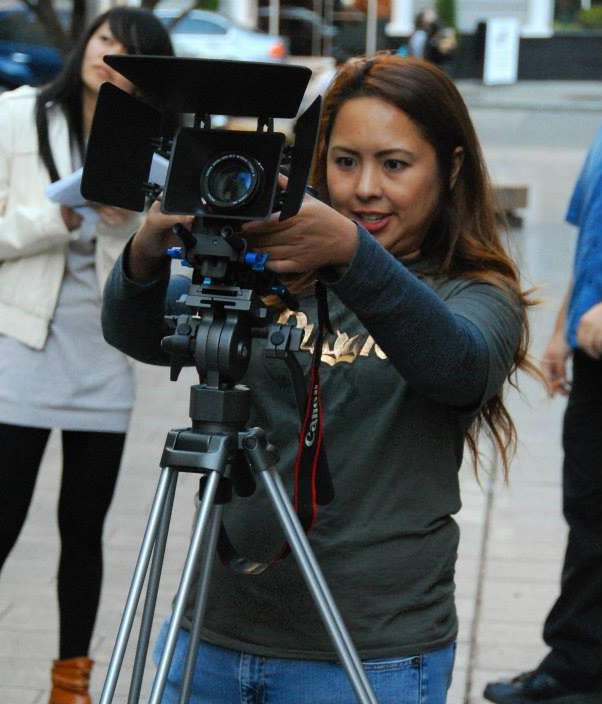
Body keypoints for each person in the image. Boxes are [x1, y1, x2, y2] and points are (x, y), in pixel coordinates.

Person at [101, 54, 535, 704]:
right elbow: (140, 332)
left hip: (371, 649)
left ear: (450, 167)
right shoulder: (277, 274)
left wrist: (351, 256)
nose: (364, 188)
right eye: (344, 160)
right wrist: (145, 252)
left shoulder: (475, 292)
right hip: (214, 632)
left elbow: (458, 368)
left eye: (394, 164)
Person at [0, 8, 173, 704]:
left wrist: (134, 222)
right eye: (106, 39)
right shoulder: (13, 117)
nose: (110, 55)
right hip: (24, 342)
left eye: (129, 51)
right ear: (85, 42)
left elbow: (164, 255)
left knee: (83, 530)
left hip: (103, 351)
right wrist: (61, 216)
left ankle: (71, 685)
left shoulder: (153, 140)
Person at [484, 126, 602, 704]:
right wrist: (560, 333)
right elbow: (592, 248)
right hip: (593, 349)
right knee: (589, 513)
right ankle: (579, 666)